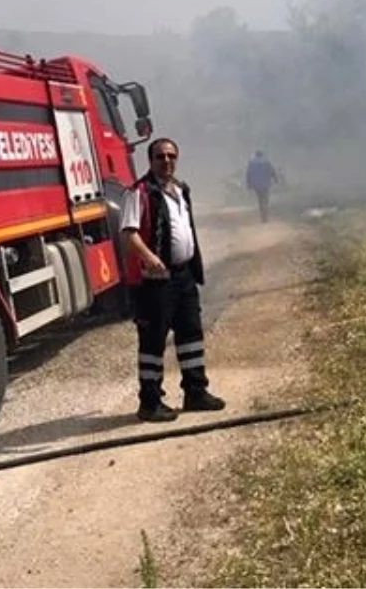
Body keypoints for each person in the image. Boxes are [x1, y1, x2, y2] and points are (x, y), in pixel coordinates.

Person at [119, 137, 226, 422]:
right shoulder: (138, 192)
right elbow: (128, 234)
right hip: (154, 281)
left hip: (184, 275)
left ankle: (195, 393)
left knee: (191, 334)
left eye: (171, 156)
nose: (166, 161)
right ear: (150, 160)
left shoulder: (181, 190)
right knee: (153, 342)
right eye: (160, 157)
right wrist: (149, 258)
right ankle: (150, 403)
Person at [244, 149, 280, 223]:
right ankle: (265, 215)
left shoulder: (251, 162)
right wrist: (276, 180)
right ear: (262, 154)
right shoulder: (266, 161)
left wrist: (248, 184)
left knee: (260, 199)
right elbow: (272, 171)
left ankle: (262, 215)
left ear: (256, 155)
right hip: (266, 184)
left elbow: (248, 174)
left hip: (256, 185)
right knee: (266, 199)